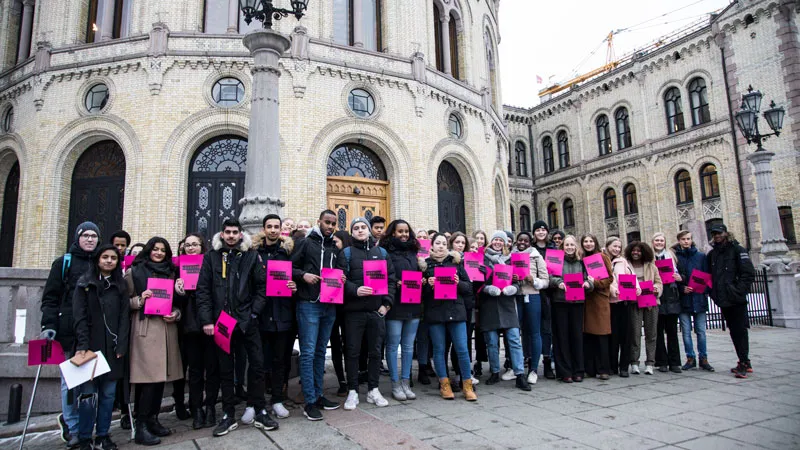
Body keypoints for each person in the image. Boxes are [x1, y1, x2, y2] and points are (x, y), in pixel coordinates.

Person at [196, 219, 277, 437]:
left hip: (248, 321)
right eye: (227, 232)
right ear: (222, 235)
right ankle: (228, 414)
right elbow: (203, 290)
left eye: (235, 232)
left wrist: (253, 313)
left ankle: (259, 409)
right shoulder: (211, 257)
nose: (231, 236)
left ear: (241, 235)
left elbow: (262, 287)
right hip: (222, 322)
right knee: (226, 369)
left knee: (257, 365)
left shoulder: (251, 255)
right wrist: (207, 320)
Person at [41, 221, 100, 448]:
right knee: (70, 381)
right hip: (68, 330)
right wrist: (48, 323)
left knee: (89, 382)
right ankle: (72, 426)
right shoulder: (63, 263)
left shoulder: (100, 263)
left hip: (93, 331)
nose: (89, 240)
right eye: (85, 235)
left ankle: (85, 429)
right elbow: (50, 297)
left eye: (93, 236)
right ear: (77, 237)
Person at [126, 237, 183, 445]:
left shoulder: (171, 272)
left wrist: (176, 314)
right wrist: (140, 300)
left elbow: (177, 304)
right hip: (146, 330)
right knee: (147, 380)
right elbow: (122, 301)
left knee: (160, 379)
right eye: (155, 249)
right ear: (149, 250)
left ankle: (153, 420)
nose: (158, 253)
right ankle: (141, 425)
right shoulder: (134, 272)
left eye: (163, 250)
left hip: (166, 329)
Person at [72, 244, 130, 450]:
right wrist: (82, 345)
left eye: (113, 258)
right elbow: (79, 317)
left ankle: (103, 435)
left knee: (108, 396)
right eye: (105, 257)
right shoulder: (85, 284)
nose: (109, 261)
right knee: (88, 396)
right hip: (89, 349)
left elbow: (125, 318)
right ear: (97, 259)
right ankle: (85, 437)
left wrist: (122, 344)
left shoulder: (120, 285)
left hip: (113, 350)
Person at [290, 210, 342, 420]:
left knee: (321, 351)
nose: (329, 226)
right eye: (326, 222)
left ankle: (319, 395)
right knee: (309, 352)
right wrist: (303, 275)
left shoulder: (334, 247)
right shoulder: (305, 242)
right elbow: (290, 268)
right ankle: (309, 400)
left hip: (329, 305)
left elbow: (339, 269)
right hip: (309, 303)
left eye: (333, 224)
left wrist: (342, 276)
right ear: (319, 222)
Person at [339, 218, 395, 410]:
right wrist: (355, 290)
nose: (360, 230)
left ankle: (373, 389)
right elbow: (340, 279)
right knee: (353, 351)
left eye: (363, 227)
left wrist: (386, 304)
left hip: (375, 311)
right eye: (356, 228)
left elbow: (391, 280)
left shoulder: (381, 253)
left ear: (369, 230)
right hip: (353, 312)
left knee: (375, 352)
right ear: (351, 232)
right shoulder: (346, 253)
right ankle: (353, 391)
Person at [253, 215, 297, 420]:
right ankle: (255, 402)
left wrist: (294, 287)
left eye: (276, 227)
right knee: (259, 362)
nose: (272, 230)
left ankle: (278, 399)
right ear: (263, 228)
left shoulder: (288, 252)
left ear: (281, 229)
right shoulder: (254, 254)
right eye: (269, 226)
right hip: (260, 315)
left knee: (280, 361)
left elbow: (295, 275)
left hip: (283, 314)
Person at [423, 233, 477, 401]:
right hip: (435, 312)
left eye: (443, 243)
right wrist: (428, 285)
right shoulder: (425, 266)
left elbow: (468, 287)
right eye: (437, 243)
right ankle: (444, 384)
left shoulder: (456, 262)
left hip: (456, 311)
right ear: (432, 245)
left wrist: (457, 282)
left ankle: (467, 385)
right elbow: (419, 292)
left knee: (462, 348)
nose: (441, 246)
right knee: (439, 350)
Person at [174, 233, 218, 430]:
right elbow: (175, 303)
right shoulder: (178, 269)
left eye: (195, 245)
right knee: (195, 371)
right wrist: (180, 292)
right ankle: (197, 409)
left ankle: (210, 407)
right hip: (190, 326)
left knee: (212, 368)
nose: (191, 248)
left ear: (202, 246)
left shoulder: (210, 264)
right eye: (188, 246)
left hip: (210, 324)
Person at [480, 231, 530, 391]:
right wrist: (487, 288)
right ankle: (495, 372)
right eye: (495, 239)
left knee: (514, 339)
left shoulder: (512, 260)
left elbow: (518, 280)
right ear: (491, 241)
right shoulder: (482, 259)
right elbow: (477, 281)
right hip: (489, 303)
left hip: (507, 302)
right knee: (492, 342)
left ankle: (520, 374)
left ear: (505, 243)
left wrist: (513, 288)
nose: (497, 242)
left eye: (500, 240)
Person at [380, 220, 423, 401]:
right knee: (392, 344)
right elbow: (384, 277)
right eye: (400, 231)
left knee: (407, 347)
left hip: (413, 303)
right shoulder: (385, 253)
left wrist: (421, 279)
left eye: (406, 231)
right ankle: (395, 384)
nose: (404, 235)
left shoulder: (414, 252)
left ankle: (406, 382)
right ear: (393, 233)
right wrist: (395, 283)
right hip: (395, 304)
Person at [707, 224, 755, 378]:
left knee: (740, 330)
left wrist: (738, 291)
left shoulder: (738, 250)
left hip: (736, 298)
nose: (717, 236)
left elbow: (748, 273)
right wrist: (713, 293)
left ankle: (743, 362)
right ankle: (744, 361)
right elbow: (709, 276)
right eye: (714, 233)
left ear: (726, 233)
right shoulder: (713, 254)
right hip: (723, 299)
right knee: (734, 330)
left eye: (719, 233)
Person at [549, 235, 593, 383]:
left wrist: (588, 284)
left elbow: (590, 278)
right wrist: (559, 282)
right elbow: (549, 277)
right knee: (562, 337)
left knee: (577, 336)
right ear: (562, 246)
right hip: (560, 301)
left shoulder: (582, 263)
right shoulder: (556, 260)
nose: (569, 247)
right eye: (567, 245)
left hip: (577, 302)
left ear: (576, 247)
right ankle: (565, 371)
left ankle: (578, 370)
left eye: (572, 245)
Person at [673, 231, 714, 371]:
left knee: (701, 331)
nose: (686, 241)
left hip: (698, 298)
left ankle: (704, 358)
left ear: (692, 240)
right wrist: (681, 288)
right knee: (686, 331)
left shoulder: (701, 256)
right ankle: (690, 358)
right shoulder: (676, 257)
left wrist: (703, 290)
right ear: (679, 240)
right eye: (683, 239)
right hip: (683, 299)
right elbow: (672, 278)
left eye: (688, 239)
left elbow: (707, 277)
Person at [512, 231, 549, 385]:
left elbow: (546, 280)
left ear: (530, 243)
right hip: (516, 296)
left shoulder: (536, 256)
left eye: (526, 241)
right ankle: (516, 367)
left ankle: (533, 369)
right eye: (520, 240)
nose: (522, 243)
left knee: (534, 332)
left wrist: (534, 280)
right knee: (515, 333)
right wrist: (511, 278)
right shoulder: (511, 257)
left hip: (532, 296)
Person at [626, 241, 663, 376]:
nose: (636, 253)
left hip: (650, 303)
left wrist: (656, 289)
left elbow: (659, 282)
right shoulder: (626, 265)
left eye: (639, 251)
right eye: (633, 250)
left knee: (651, 334)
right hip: (634, 303)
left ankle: (650, 363)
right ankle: (634, 362)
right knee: (635, 334)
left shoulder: (652, 267)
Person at [580, 234, 613, 380]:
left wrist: (596, 283)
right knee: (588, 336)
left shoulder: (602, 256)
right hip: (586, 300)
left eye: (590, 241)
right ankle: (590, 368)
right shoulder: (581, 259)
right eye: (585, 242)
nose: (588, 244)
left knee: (601, 335)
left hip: (599, 299)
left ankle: (603, 368)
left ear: (596, 242)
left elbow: (610, 278)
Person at [652, 232, 683, 374]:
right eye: (656, 240)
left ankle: (675, 362)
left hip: (671, 297)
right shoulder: (649, 258)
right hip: (656, 297)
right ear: (652, 242)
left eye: (661, 240)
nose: (659, 243)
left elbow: (684, 275)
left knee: (672, 332)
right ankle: (661, 361)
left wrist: (679, 277)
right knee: (657, 332)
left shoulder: (672, 256)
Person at [606, 237, 636, 377]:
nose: (617, 249)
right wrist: (612, 289)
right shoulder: (602, 260)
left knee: (626, 336)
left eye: (619, 247)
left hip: (624, 302)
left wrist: (637, 289)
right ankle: (612, 366)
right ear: (608, 246)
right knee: (613, 337)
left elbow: (632, 277)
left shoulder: (623, 262)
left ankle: (624, 366)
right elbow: (602, 278)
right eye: (614, 246)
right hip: (609, 303)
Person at [531, 221, 556, 379]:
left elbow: (557, 270)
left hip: (550, 292)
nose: (541, 232)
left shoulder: (553, 250)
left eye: (543, 229)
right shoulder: (530, 250)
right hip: (534, 291)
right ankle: (532, 362)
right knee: (534, 329)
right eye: (538, 230)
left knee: (547, 329)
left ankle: (547, 362)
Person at [330, 230, 352, 396]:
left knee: (349, 343)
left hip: (348, 306)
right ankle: (341, 381)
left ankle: (352, 378)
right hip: (332, 305)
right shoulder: (330, 256)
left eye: (336, 241)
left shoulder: (350, 257)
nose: (334, 244)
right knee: (335, 344)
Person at [470, 229, 489, 377]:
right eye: (477, 238)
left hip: (483, 300)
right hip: (471, 300)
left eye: (482, 239)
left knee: (481, 333)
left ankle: (480, 361)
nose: (480, 241)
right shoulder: (468, 259)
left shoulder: (486, 258)